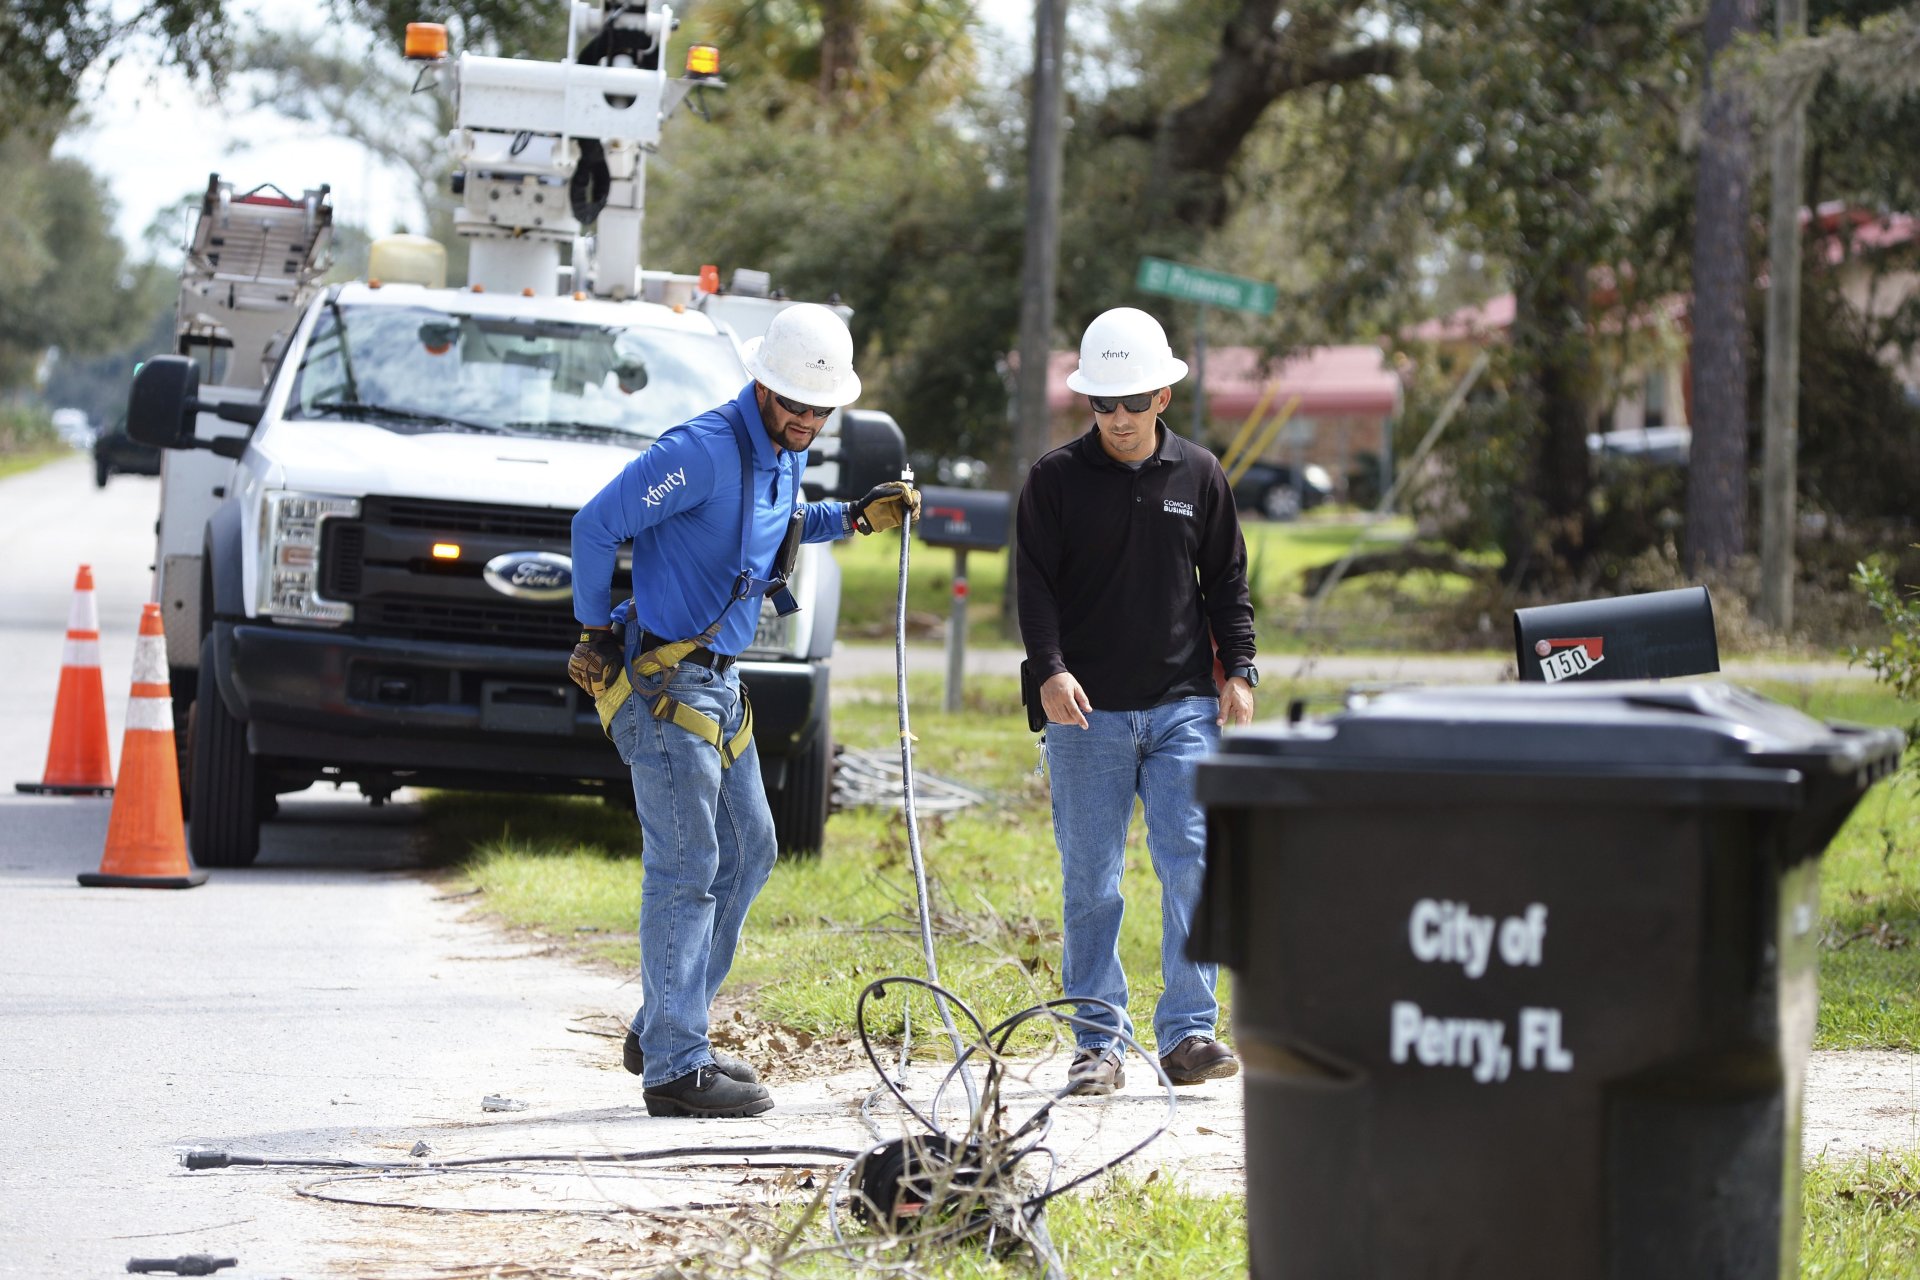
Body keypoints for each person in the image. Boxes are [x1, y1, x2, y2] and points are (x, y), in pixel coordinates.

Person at [568, 303, 919, 1118]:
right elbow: (595, 524)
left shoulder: (782, 456)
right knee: (688, 868)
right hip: (666, 687)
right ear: (761, 383)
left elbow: (783, 529)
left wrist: (860, 517)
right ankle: (675, 1068)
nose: (803, 420)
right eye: (791, 403)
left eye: (816, 411)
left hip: (724, 688)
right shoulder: (699, 452)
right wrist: (592, 627)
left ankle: (665, 1021)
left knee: (753, 850)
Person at [1015, 306, 1257, 1096]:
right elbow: (1035, 589)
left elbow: (1226, 583)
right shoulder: (1054, 481)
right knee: (1094, 880)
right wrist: (1049, 670)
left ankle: (1190, 1034)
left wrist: (1241, 671)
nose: (1116, 419)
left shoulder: (1201, 476)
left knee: (1191, 864)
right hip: (1085, 715)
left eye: (1131, 402)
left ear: (1162, 396)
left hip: (1184, 704)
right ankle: (1098, 1042)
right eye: (1102, 404)